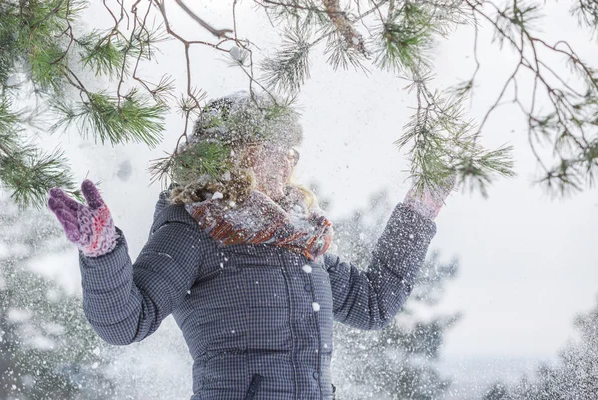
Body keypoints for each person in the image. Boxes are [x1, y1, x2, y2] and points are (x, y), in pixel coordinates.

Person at [47, 91, 453, 400]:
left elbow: (373, 304)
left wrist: (418, 213)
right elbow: (127, 322)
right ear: (235, 157)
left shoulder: (298, 238)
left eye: (291, 154)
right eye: (271, 152)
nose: (286, 165)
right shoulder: (194, 229)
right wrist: (102, 253)